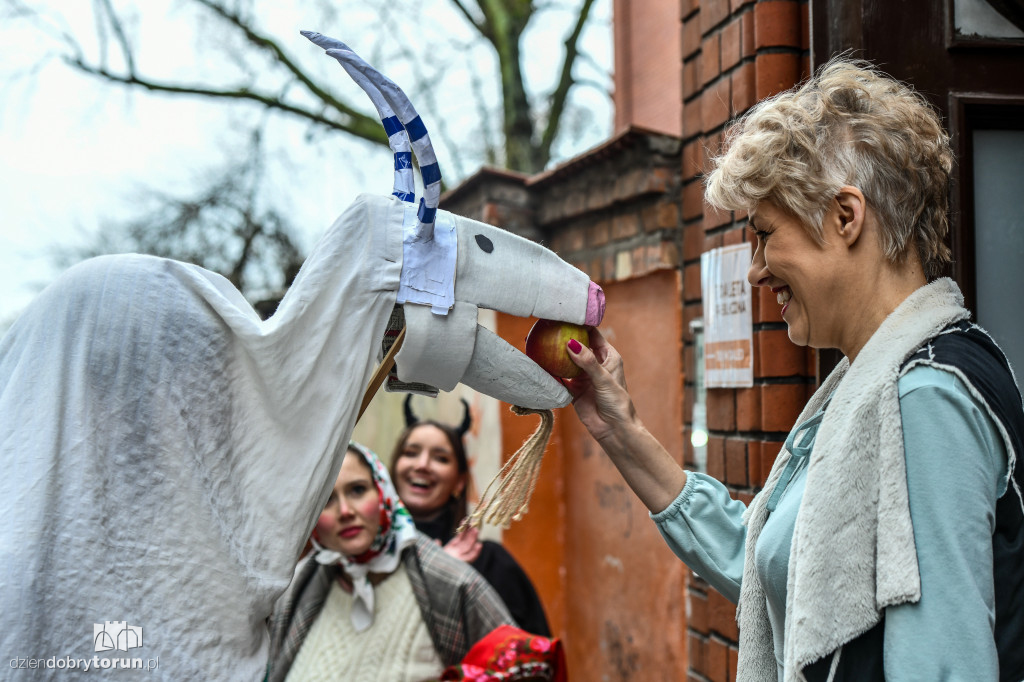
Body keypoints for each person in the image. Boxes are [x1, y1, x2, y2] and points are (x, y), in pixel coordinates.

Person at [563, 57, 1024, 681]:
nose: (754, 267)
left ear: (845, 216)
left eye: (764, 234)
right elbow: (777, 569)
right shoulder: (872, 387)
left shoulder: (926, 398)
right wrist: (620, 430)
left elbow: (942, 665)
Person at [266, 442, 514, 682]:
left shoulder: (449, 583)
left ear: (383, 491)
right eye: (325, 499)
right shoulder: (293, 590)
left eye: (358, 490)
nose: (345, 511)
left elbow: (520, 666)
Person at [390, 395, 552, 637]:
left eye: (440, 458)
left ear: (459, 482)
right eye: (411, 453)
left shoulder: (490, 563)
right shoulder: (364, 550)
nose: (422, 464)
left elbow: (529, 653)